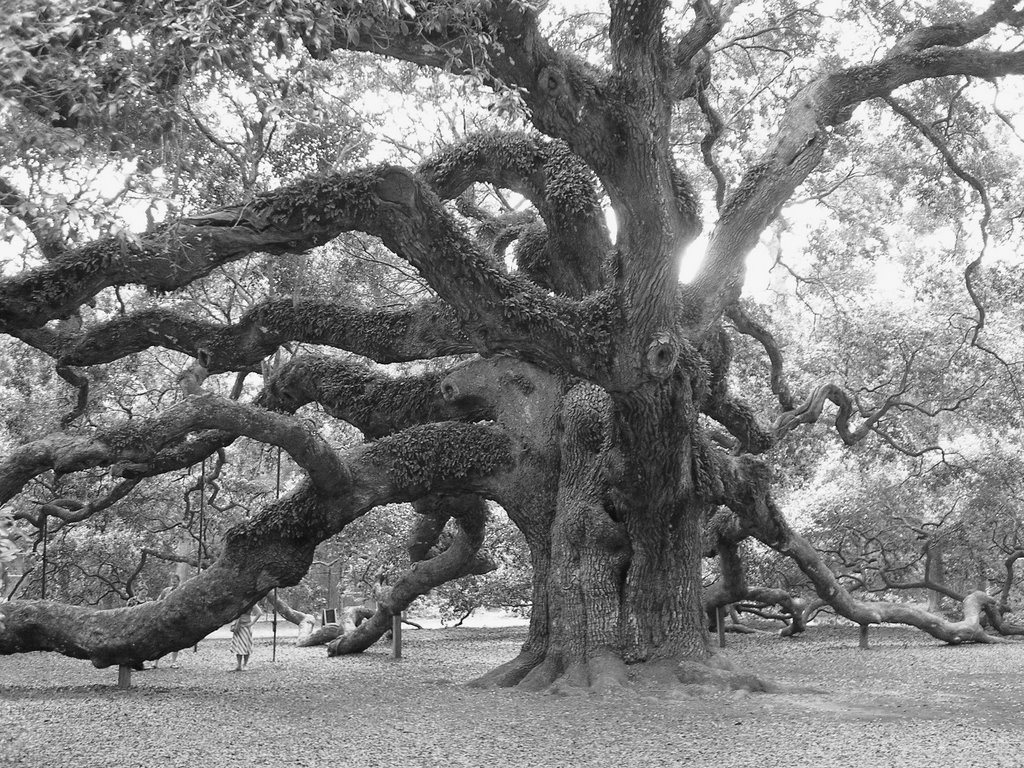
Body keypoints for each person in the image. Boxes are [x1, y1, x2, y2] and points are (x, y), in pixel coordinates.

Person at [153, 573, 181, 669]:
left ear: (178, 582)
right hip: (164, 618)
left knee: (175, 641)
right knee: (159, 640)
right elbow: (158, 601)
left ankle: (173, 662)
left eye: (175, 581)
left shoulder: (181, 590)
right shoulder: (166, 591)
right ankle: (156, 662)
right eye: (172, 581)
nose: (173, 583)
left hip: (176, 619)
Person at [230, 603, 263, 671]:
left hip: (246, 626)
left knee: (246, 647)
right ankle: (239, 665)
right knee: (238, 646)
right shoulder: (239, 602)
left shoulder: (251, 602)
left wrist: (252, 623)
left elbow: (259, 612)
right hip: (238, 627)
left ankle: (245, 665)